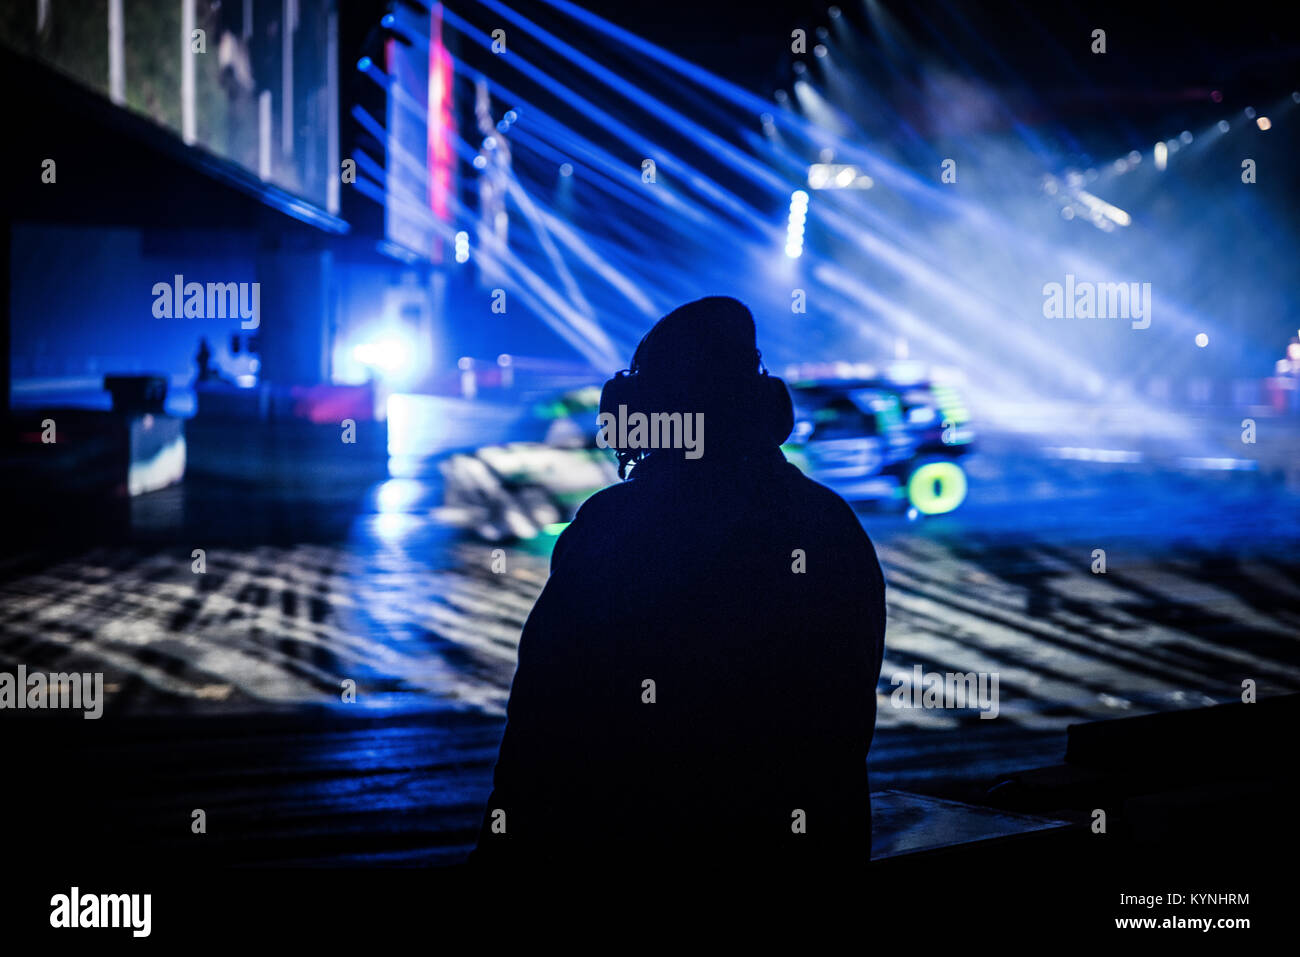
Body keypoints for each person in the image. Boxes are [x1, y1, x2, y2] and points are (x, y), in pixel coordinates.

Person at [473, 296, 886, 872]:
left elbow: (544, 719)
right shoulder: (829, 522)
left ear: (640, 410)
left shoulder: (614, 526)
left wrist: (501, 851)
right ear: (767, 408)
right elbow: (841, 720)